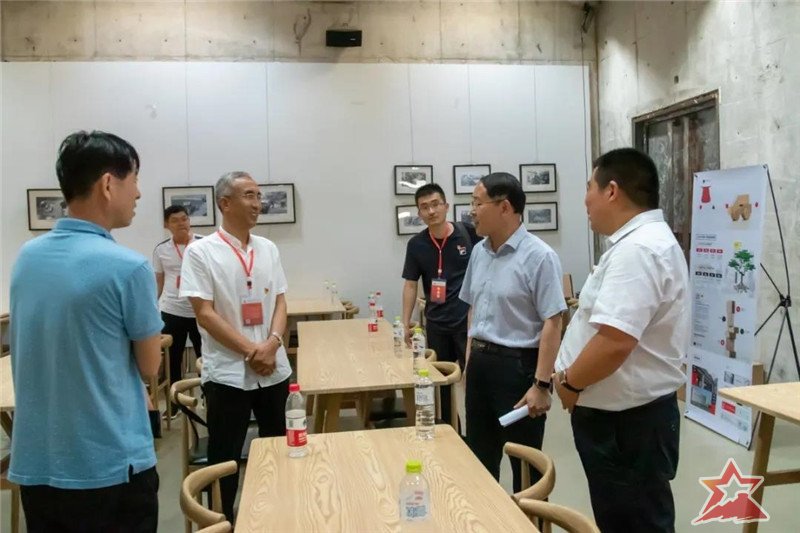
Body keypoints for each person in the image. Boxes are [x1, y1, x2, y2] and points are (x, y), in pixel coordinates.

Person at [9, 131, 163, 532]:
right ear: (108, 184)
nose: (138, 193)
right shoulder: (129, 267)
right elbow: (149, 365)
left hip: (38, 464)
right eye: (134, 180)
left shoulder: (27, 257)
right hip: (110, 465)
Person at [554, 148, 688, 533]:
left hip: (626, 426)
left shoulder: (638, 250)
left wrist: (570, 383)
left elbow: (615, 342)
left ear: (611, 191)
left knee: (633, 522)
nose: (585, 201)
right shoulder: (640, 243)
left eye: (589, 188)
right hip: (627, 420)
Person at [180, 171, 291, 521]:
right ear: (224, 203)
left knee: (280, 449)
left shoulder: (268, 249)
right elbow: (204, 313)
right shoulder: (200, 252)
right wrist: (251, 350)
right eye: (249, 195)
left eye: (259, 195)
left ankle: (279, 519)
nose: (258, 203)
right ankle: (223, 522)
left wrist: (272, 344)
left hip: (273, 370)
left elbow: (281, 302)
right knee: (225, 458)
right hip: (228, 374)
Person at [459, 172, 566, 493]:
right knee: (479, 458)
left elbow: (553, 322)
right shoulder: (479, 252)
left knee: (525, 465)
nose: (472, 211)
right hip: (480, 366)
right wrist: (469, 362)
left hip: (518, 370)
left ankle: (531, 518)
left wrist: (541, 384)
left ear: (504, 207)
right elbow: (473, 309)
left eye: (477, 203)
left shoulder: (539, 256)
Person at [401, 183, 481, 428]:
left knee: (474, 383)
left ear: (446, 206)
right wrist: (405, 322)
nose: (431, 211)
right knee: (441, 385)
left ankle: (476, 433)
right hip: (436, 324)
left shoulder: (468, 234)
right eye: (424, 207)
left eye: (435, 204)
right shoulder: (416, 244)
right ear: (419, 213)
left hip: (468, 324)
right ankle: (450, 429)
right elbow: (411, 285)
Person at [152, 205, 203, 417]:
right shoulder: (161, 250)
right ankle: (175, 405)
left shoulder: (204, 244)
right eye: (175, 220)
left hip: (201, 310)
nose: (181, 223)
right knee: (172, 359)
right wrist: (151, 308)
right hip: (172, 310)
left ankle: (209, 397)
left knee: (206, 356)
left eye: (184, 219)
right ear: (167, 225)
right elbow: (159, 282)